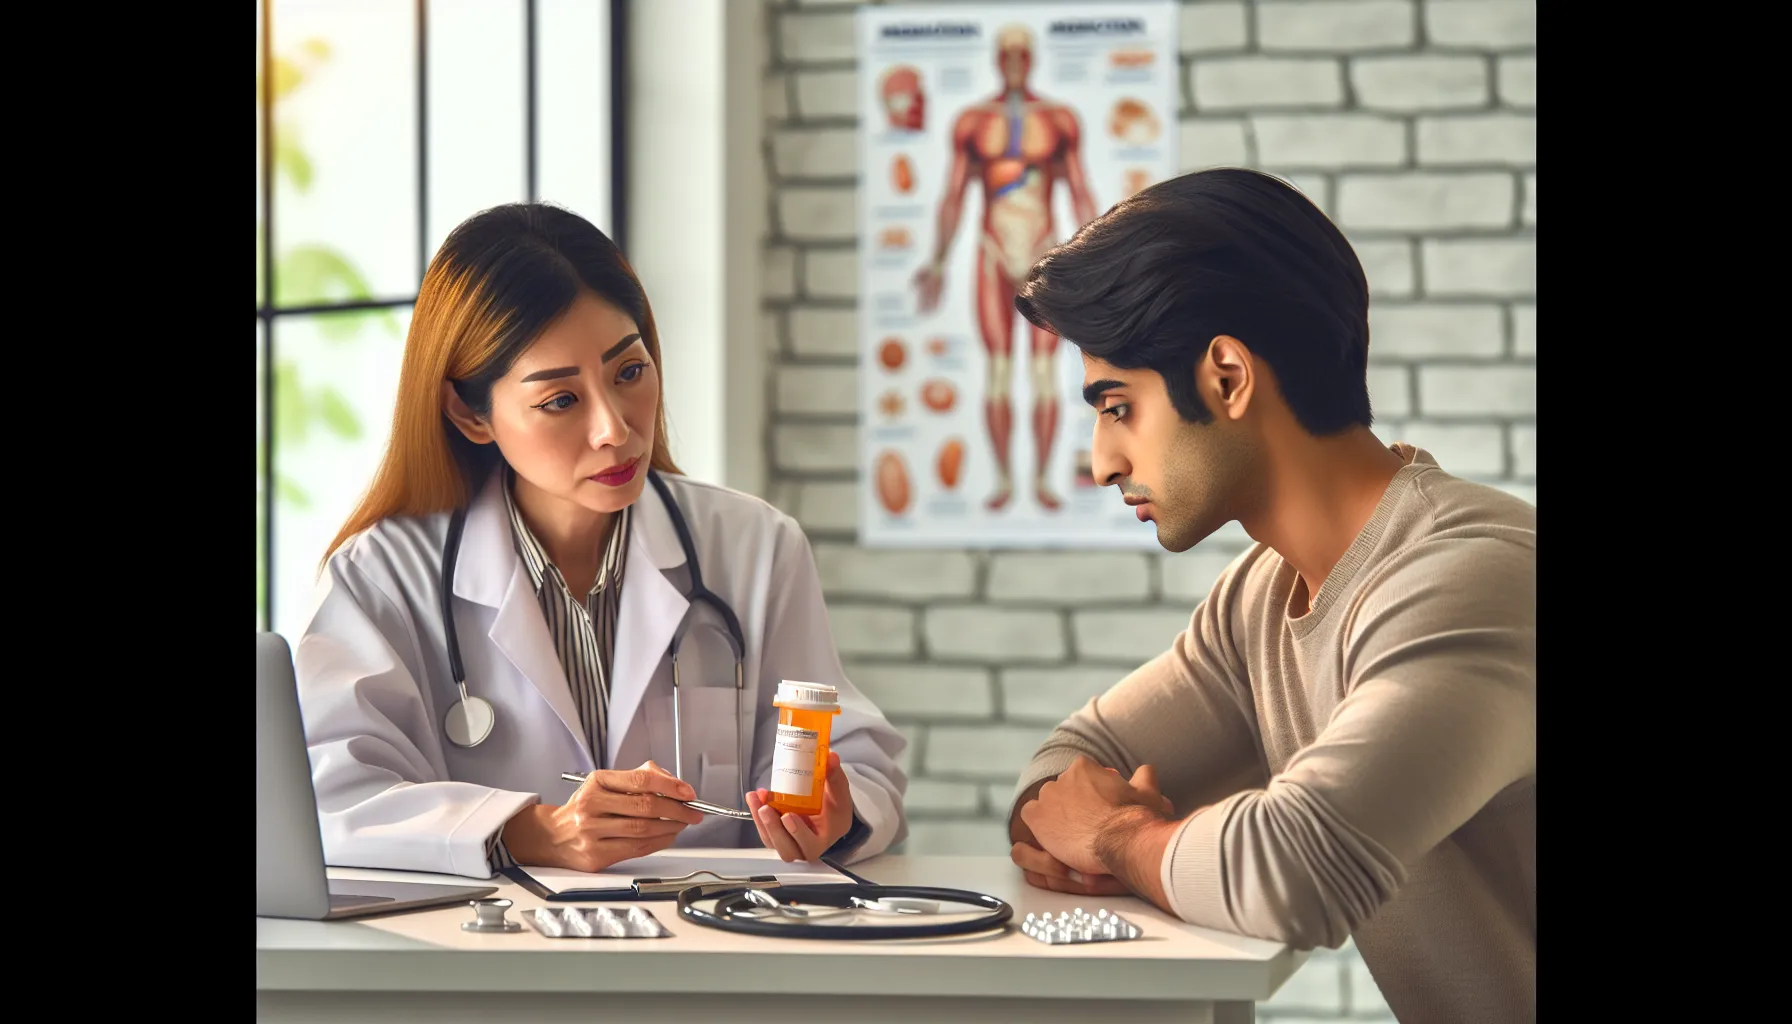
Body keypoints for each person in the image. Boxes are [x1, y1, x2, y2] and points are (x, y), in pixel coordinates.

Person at [1003, 168, 1535, 1023]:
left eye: (1117, 406)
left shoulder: (1474, 577)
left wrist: (1116, 838)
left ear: (1225, 376)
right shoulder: (1261, 596)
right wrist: (1104, 828)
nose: (1102, 461)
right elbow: (1067, 767)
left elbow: (1295, 869)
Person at [295, 202, 908, 879]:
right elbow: (327, 800)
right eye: (561, 400)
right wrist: (535, 832)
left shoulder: (755, 547)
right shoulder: (383, 575)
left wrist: (834, 815)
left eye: (628, 372)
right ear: (470, 413)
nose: (614, 428)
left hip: (711, 957)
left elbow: (855, 754)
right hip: (486, 965)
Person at [912, 23, 1099, 513]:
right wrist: (936, 260)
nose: (1014, 61)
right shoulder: (973, 122)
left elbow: (1079, 190)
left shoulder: (1059, 119)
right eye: (1006, 53)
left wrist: (1103, 257)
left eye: (1022, 53)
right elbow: (952, 195)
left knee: (1041, 374)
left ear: (1032, 58)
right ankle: (1001, 479)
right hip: (992, 254)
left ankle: (1039, 480)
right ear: (997, 58)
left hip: (1045, 253)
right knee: (997, 373)